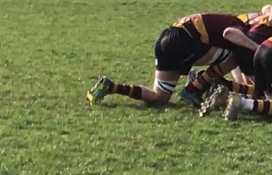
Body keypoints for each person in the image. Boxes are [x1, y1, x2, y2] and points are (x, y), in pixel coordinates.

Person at [86, 13, 249, 107]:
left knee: (159, 97)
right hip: (181, 41)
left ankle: (112, 87)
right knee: (236, 55)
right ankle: (194, 86)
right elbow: (236, 60)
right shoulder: (239, 27)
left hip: (166, 38)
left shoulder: (230, 22)